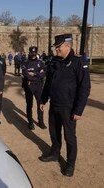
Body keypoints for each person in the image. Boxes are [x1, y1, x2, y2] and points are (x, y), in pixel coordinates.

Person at [39, 34, 91, 177]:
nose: (56, 50)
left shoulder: (78, 62)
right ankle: (55, 153)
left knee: (69, 136)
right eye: (56, 47)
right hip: (54, 105)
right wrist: (43, 100)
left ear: (68, 46)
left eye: (58, 47)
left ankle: (70, 163)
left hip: (69, 107)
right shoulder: (54, 62)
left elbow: (84, 87)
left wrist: (78, 110)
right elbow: (48, 83)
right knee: (54, 133)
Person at [21, 46, 47, 130]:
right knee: (29, 105)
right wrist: (38, 73)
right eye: (32, 53)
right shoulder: (25, 63)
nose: (33, 55)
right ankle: (30, 122)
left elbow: (44, 74)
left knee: (40, 104)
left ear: (36, 53)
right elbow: (26, 75)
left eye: (34, 53)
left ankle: (41, 121)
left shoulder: (41, 62)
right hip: (29, 86)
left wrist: (34, 74)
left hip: (39, 86)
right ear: (29, 53)